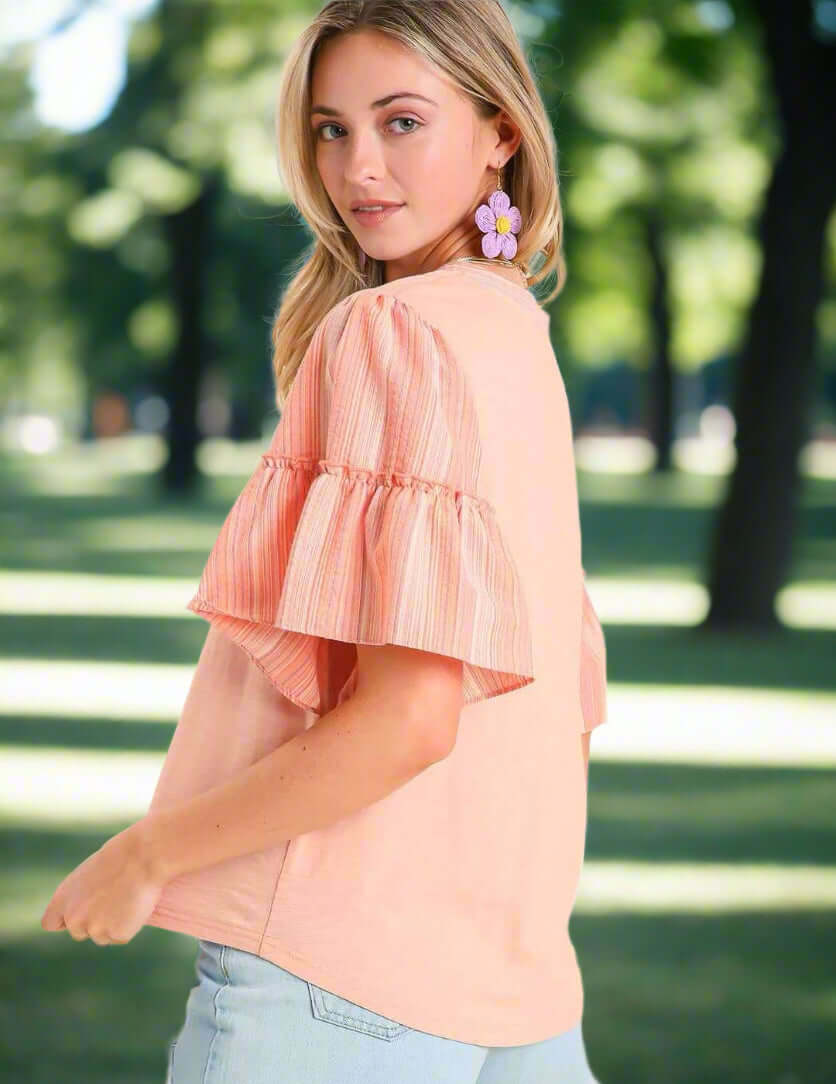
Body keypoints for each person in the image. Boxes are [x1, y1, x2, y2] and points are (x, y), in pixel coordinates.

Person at [41, 2, 608, 1081]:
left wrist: (146, 851)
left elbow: (408, 718)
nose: (359, 167)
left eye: (401, 122)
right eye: (329, 128)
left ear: (499, 132)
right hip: (516, 987)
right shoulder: (510, 330)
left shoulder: (391, 329)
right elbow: (561, 704)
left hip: (333, 980)